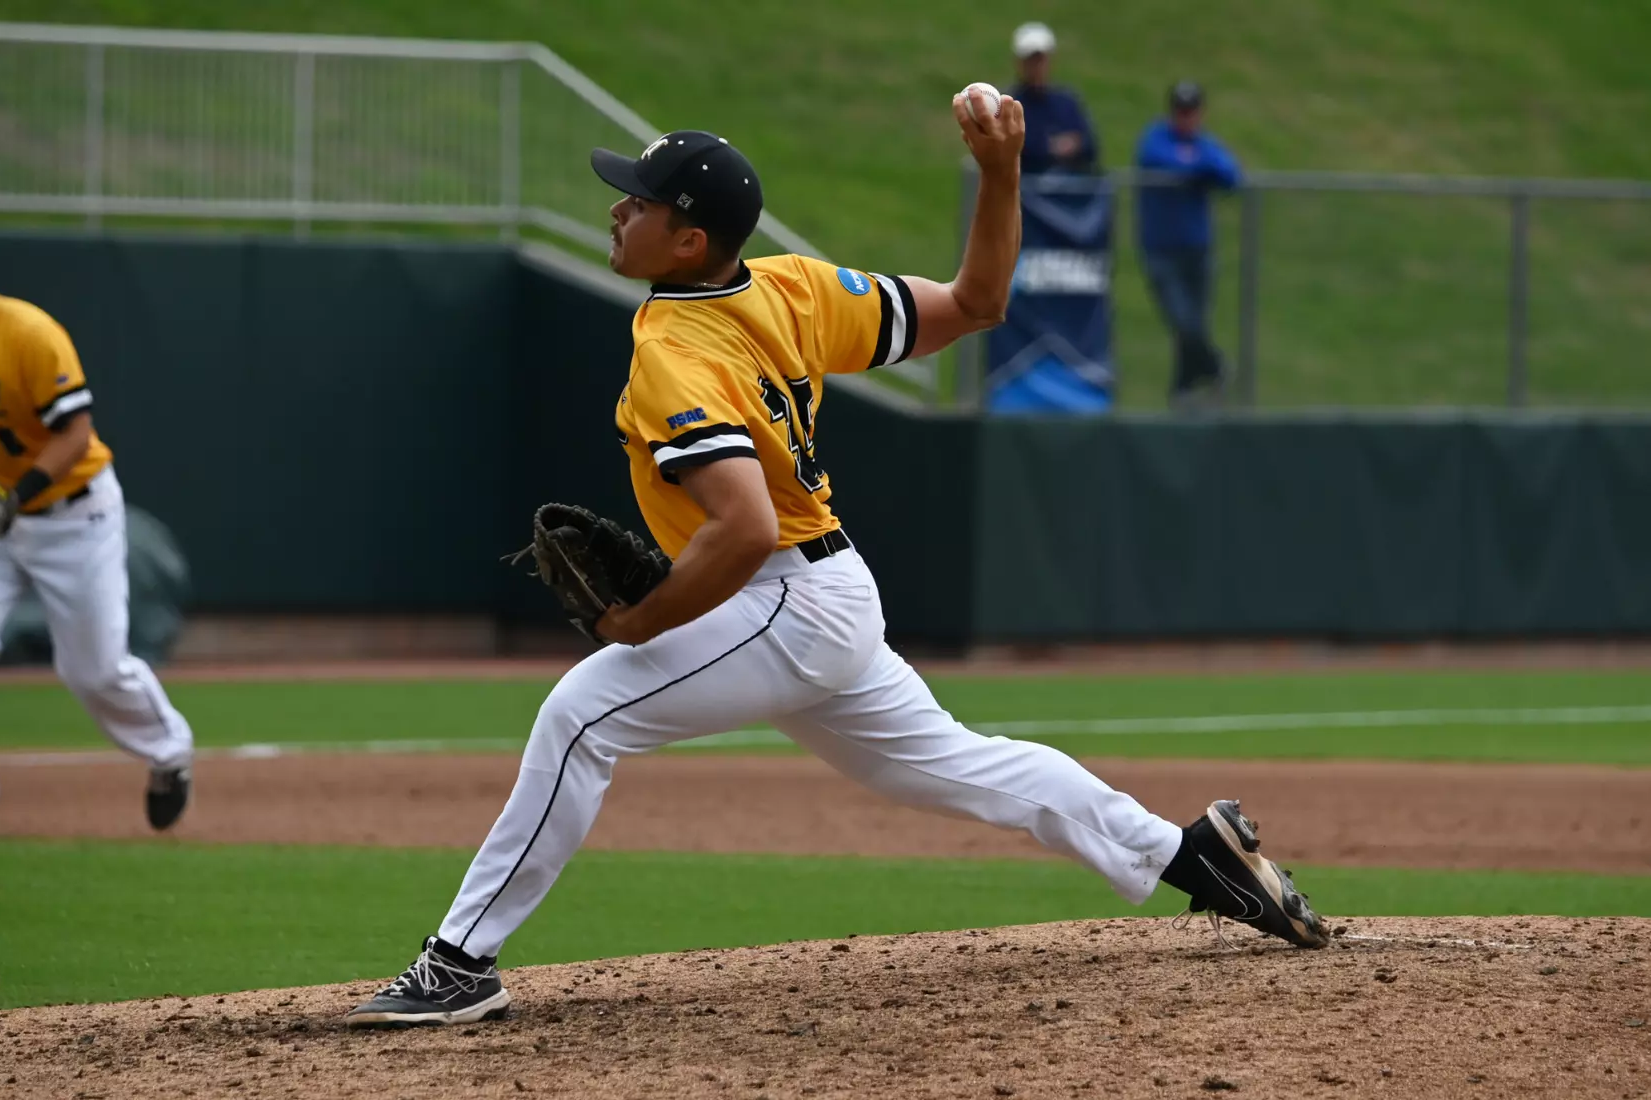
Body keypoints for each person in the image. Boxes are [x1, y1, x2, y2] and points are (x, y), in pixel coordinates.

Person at [345, 92, 1325, 1029]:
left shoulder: (675, 354)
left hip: (784, 598)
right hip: (825, 592)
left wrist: (634, 622)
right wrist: (999, 172)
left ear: (688, 240)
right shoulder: (794, 286)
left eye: (637, 200)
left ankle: (458, 963)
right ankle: (1197, 855)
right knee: (959, 765)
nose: (616, 207)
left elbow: (738, 529)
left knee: (578, 715)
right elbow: (980, 301)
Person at [0, 295, 193, 829]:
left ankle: (168, 751)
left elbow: (74, 432)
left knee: (94, 668)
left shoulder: (29, 334)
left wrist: (15, 498)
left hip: (73, 515)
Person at [1135, 80, 1242, 406]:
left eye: (1192, 110)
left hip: (1198, 251)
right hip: (1161, 252)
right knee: (1183, 321)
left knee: (1193, 327)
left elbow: (1230, 174)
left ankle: (1181, 393)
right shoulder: (1155, 138)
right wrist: (1195, 168)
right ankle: (1216, 367)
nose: (1186, 117)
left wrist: (1194, 165)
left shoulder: (1205, 145)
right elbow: (1157, 159)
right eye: (1181, 111)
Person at [1007, 22, 1098, 175]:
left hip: (1071, 185)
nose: (1037, 66)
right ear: (1020, 63)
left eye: (1041, 60)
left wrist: (1075, 145)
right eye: (1031, 60)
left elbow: (1090, 144)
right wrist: (1049, 147)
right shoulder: (1011, 104)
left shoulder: (1067, 101)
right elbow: (1014, 149)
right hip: (1028, 188)